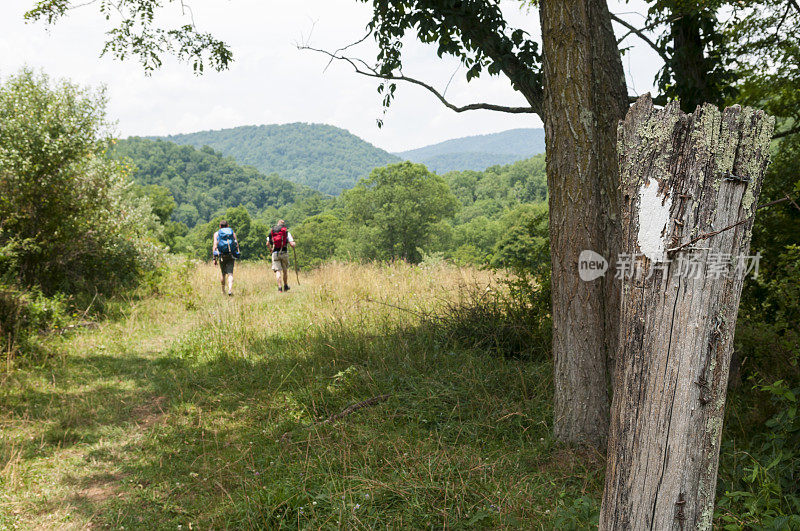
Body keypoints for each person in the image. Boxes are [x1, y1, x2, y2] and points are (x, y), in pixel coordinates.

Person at [212, 220, 240, 296]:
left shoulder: (217, 234)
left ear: (220, 226)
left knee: (223, 274)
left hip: (222, 255)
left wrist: (214, 258)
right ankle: (230, 290)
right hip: (231, 255)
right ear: (228, 225)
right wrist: (237, 253)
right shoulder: (232, 233)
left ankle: (223, 291)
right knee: (230, 274)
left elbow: (215, 245)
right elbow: (236, 244)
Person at [268, 219, 296, 292]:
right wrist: (293, 244)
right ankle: (286, 286)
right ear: (283, 225)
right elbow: (292, 243)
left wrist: (271, 249)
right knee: (285, 270)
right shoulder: (286, 232)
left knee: (278, 271)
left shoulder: (272, 232)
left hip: (275, 253)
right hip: (284, 252)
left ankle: (280, 288)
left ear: (277, 224)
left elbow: (267, 243)